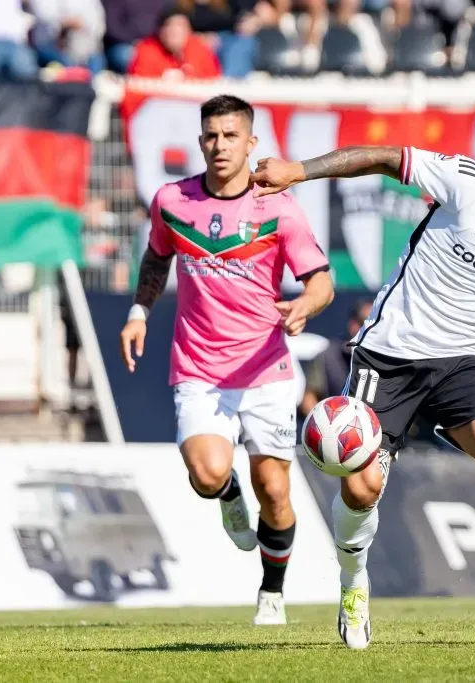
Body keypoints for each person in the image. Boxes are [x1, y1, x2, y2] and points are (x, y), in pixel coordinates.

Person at [251, 119, 475, 650]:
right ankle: (354, 586)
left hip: (462, 364)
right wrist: (298, 172)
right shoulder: (468, 184)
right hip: (391, 358)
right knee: (362, 488)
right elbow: (381, 157)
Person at [118, 95, 334, 626]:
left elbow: (321, 281)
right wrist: (139, 312)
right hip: (199, 368)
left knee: (277, 490)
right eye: (211, 136)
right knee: (207, 473)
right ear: (199, 142)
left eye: (231, 136)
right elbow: (156, 255)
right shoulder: (172, 200)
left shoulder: (278, 207)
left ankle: (273, 591)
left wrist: (306, 304)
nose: (220, 145)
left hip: (266, 370)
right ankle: (226, 492)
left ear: (251, 143)